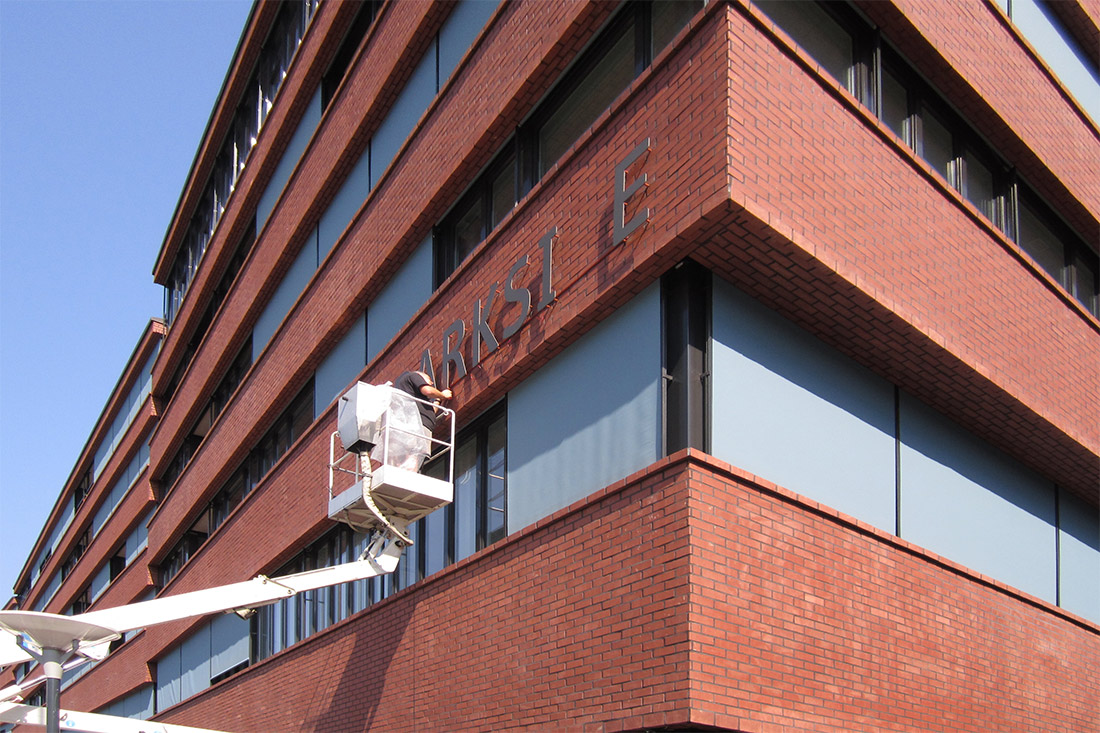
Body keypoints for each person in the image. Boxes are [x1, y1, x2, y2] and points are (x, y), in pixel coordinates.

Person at [375, 370, 452, 470]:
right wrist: (443, 395)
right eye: (429, 379)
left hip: (418, 426)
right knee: (415, 454)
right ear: (420, 376)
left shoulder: (414, 398)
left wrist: (438, 400)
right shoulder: (413, 376)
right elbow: (428, 390)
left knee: (414, 455)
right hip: (417, 426)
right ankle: (410, 474)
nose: (431, 383)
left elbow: (430, 411)